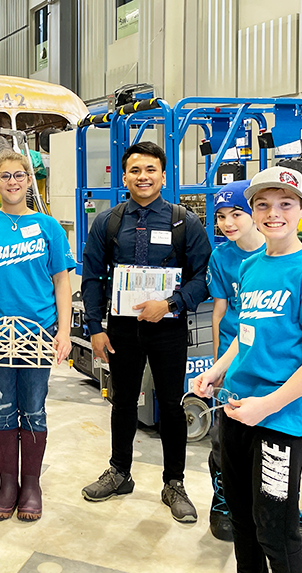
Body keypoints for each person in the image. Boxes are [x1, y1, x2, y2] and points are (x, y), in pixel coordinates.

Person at [193, 166, 302, 573]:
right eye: (263, 205)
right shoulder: (250, 266)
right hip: (237, 411)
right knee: (242, 520)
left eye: (285, 204)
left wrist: (269, 405)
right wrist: (217, 371)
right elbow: (245, 336)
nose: (273, 213)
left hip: (280, 420)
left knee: (275, 529)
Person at [79, 141, 212, 523]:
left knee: (170, 405)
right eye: (135, 170)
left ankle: (174, 483)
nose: (143, 177)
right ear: (124, 177)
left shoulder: (184, 222)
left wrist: (170, 304)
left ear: (163, 175)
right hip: (120, 328)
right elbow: (91, 277)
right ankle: (120, 472)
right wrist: (94, 329)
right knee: (122, 402)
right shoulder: (109, 221)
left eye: (150, 170)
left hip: (168, 326)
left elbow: (203, 277)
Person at [0, 149, 75, 522]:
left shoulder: (48, 227)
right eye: (5, 176)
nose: (12, 182)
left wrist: (66, 332)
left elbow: (61, 283)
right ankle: (8, 484)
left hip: (39, 332)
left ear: (29, 180)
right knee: (4, 407)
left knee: (34, 408)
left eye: (18, 175)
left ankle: (32, 485)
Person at [205, 179, 265, 541]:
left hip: (271, 359)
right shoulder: (221, 257)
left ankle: (288, 508)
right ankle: (224, 501)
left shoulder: (278, 253)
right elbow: (219, 312)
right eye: (221, 216)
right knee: (224, 438)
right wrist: (215, 366)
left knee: (276, 439)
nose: (228, 223)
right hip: (232, 359)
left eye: (236, 214)